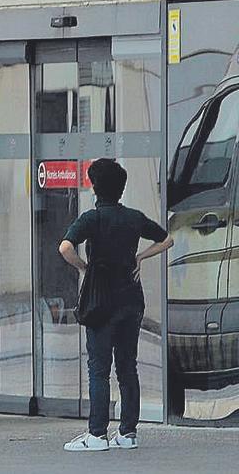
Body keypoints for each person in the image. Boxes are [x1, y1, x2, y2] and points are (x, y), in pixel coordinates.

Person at [58, 158, 174, 453]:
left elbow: (65, 247)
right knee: (127, 366)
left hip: (100, 300)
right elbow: (167, 239)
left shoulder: (92, 219)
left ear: (96, 188)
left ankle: (97, 435)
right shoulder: (134, 218)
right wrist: (141, 257)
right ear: (120, 189)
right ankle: (128, 433)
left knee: (99, 369)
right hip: (130, 300)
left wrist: (85, 266)